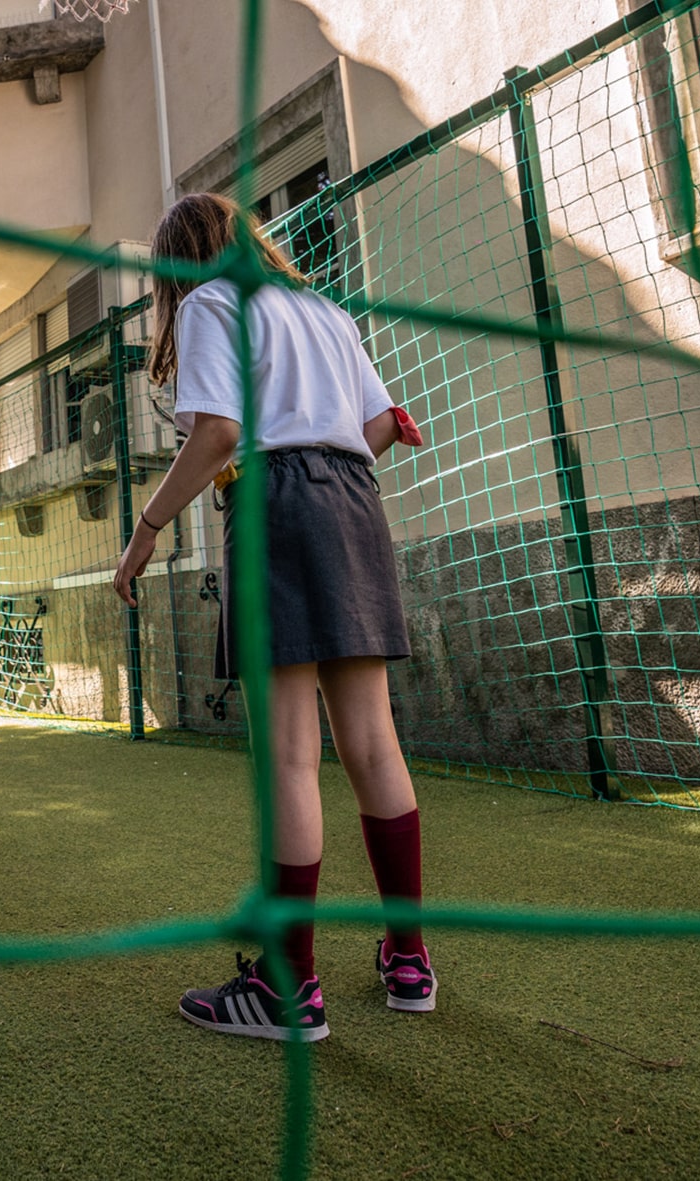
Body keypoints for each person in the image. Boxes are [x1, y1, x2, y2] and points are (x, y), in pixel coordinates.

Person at [113, 193, 432, 1043]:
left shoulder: (214, 301)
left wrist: (146, 530)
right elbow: (377, 428)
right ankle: (410, 960)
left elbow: (219, 431)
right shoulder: (325, 309)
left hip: (276, 503)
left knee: (290, 754)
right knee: (373, 741)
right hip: (355, 500)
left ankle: (288, 989)